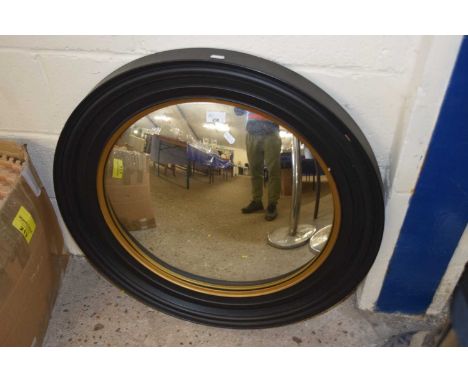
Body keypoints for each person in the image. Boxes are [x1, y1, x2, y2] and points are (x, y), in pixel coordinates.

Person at [235, 107, 281, 221]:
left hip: (271, 133)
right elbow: (238, 111)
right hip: (252, 132)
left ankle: (272, 204)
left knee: (273, 171)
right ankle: (257, 201)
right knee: (255, 171)